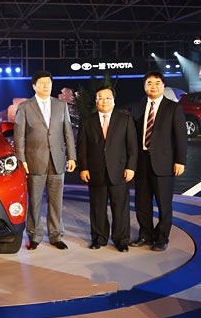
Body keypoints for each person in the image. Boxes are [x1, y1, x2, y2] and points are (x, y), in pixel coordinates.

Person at [14, 70, 76, 250]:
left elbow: (68, 133)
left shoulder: (61, 105)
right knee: (34, 201)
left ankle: (56, 236)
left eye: (49, 82)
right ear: (34, 86)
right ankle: (34, 235)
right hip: (34, 160)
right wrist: (22, 159)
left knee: (56, 201)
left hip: (57, 160)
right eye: (42, 83)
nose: (46, 86)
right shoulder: (25, 107)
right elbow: (19, 136)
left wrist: (72, 156)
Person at [130, 71, 187, 251]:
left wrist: (180, 161)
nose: (153, 86)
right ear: (144, 86)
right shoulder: (137, 107)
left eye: (157, 83)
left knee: (164, 204)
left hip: (164, 162)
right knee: (142, 203)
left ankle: (162, 238)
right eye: (149, 83)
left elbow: (181, 136)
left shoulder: (173, 107)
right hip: (141, 162)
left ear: (163, 85)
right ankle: (145, 235)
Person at [77, 87, 137, 252]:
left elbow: (132, 147)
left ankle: (121, 240)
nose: (104, 101)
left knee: (121, 208)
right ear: (96, 102)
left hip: (119, 171)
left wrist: (131, 167)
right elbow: (82, 147)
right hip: (95, 171)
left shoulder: (125, 120)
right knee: (97, 207)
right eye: (101, 98)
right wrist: (84, 168)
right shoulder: (87, 121)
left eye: (108, 98)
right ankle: (99, 238)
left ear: (114, 101)